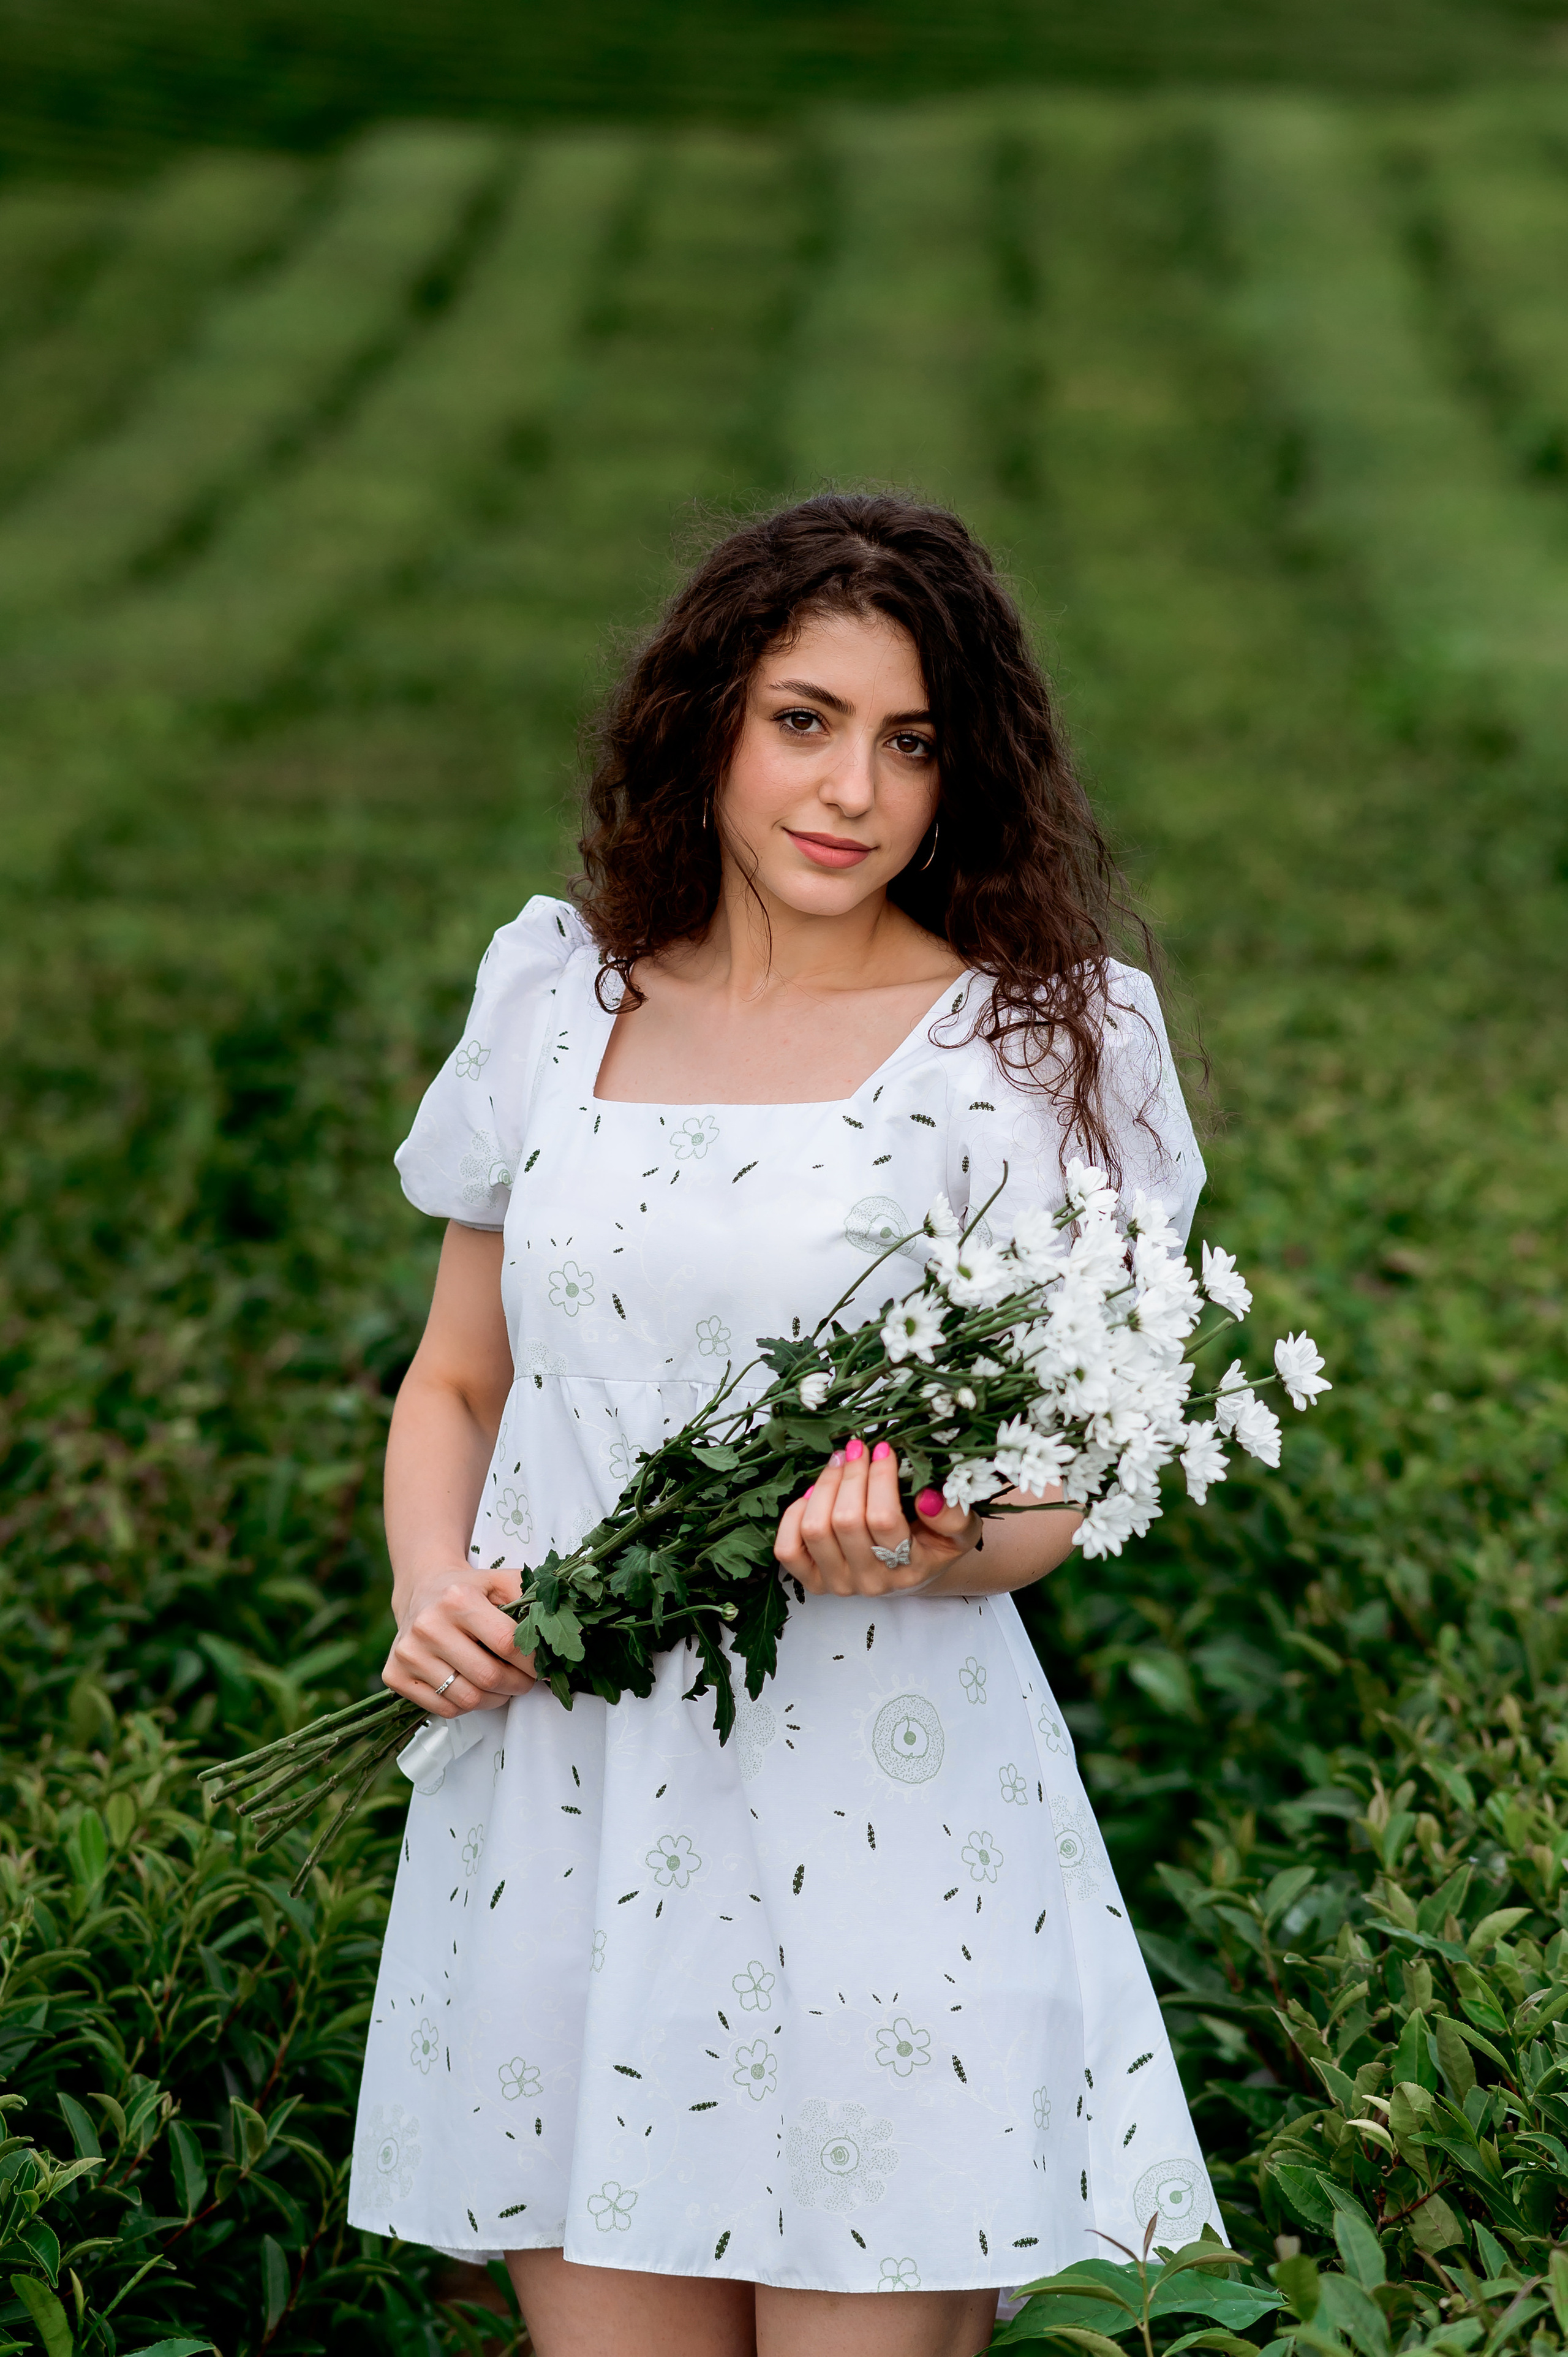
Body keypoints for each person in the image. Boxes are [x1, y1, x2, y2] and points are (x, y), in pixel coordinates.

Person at [347, 493, 1216, 2356]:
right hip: (569, 1790)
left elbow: (1049, 1498)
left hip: (881, 1810)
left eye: (912, 742)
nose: (852, 791)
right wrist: (436, 1591)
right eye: (804, 722)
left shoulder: (1028, 1047)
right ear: (708, 723)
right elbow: (459, 1379)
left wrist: (923, 1545)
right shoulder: (557, 1000)